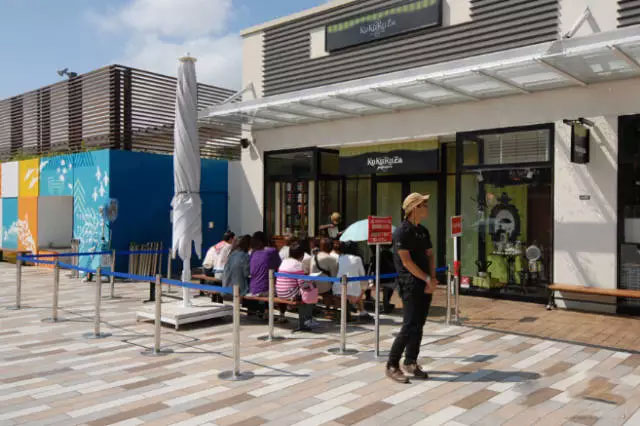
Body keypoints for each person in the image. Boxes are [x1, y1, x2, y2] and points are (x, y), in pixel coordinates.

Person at [386, 192, 438, 384]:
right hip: (410, 285)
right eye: (424, 204)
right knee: (409, 325)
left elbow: (430, 255)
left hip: (424, 282)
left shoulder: (423, 231)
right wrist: (426, 278)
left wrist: (432, 279)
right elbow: (407, 262)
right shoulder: (402, 232)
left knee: (419, 324)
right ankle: (392, 364)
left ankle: (410, 361)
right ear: (414, 208)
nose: (427, 208)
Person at [276, 242, 316, 331]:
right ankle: (306, 323)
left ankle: (306, 321)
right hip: (290, 294)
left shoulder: (284, 262)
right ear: (302, 255)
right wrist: (311, 282)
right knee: (310, 292)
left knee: (307, 290)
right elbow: (302, 285)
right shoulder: (298, 264)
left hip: (279, 292)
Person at [335, 241, 372, 321]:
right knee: (363, 284)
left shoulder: (340, 258)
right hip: (352, 290)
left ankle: (359, 309)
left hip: (337, 287)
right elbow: (362, 274)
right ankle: (361, 310)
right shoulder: (357, 259)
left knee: (358, 285)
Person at [249, 231, 281, 297]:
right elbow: (279, 266)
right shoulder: (272, 251)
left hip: (253, 289)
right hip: (265, 289)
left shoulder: (253, 253)